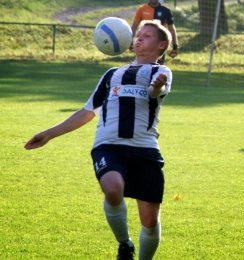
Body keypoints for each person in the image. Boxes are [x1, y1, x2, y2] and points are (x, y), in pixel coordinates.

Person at [24, 19, 172, 260]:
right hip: (108, 146)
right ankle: (125, 244)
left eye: (147, 35)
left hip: (144, 150)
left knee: (150, 220)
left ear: (161, 45)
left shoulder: (161, 72)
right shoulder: (112, 74)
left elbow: (156, 92)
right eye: (138, 35)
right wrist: (49, 133)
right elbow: (87, 112)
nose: (139, 38)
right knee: (113, 190)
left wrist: (157, 86)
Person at [130, 0, 178, 65]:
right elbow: (134, 26)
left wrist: (175, 46)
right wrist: (130, 42)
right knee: (141, 65)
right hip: (144, 44)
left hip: (158, 45)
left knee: (157, 67)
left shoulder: (166, 10)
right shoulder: (142, 9)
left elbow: (171, 28)